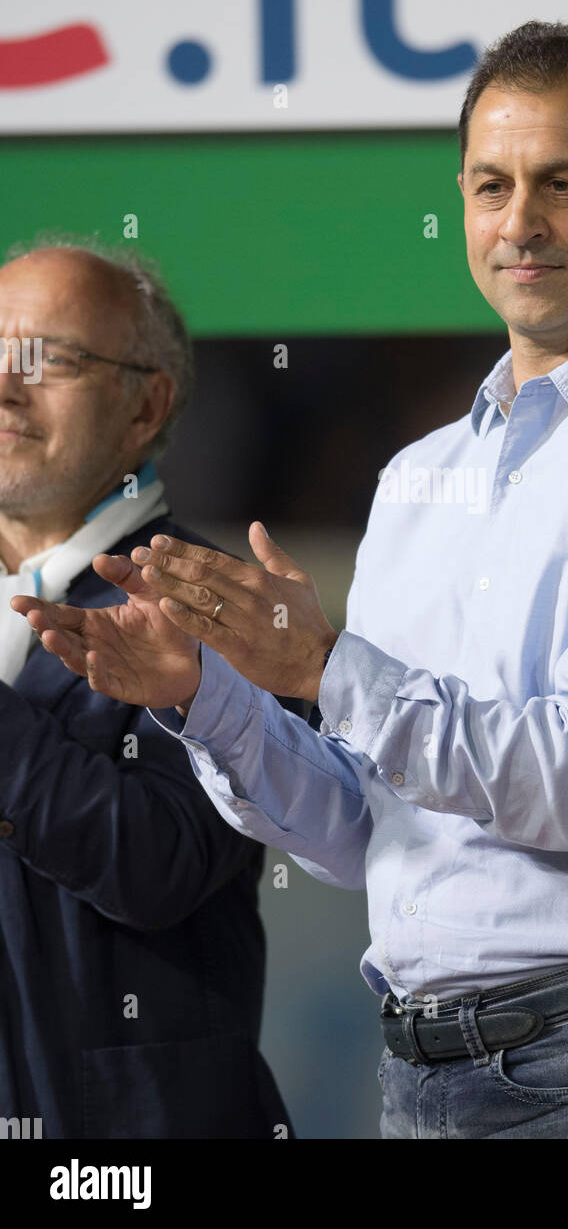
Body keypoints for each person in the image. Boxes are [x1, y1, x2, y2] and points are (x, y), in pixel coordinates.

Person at [18, 24, 568, 1140]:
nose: (521, 223)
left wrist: (324, 665)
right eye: (491, 185)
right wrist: (205, 696)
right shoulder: (420, 476)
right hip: (425, 1074)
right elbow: (370, 833)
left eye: (564, 184)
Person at [0, 238, 291, 1139]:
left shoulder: (212, 603)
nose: (7, 388)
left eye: (50, 360)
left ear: (144, 407)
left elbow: (155, 863)